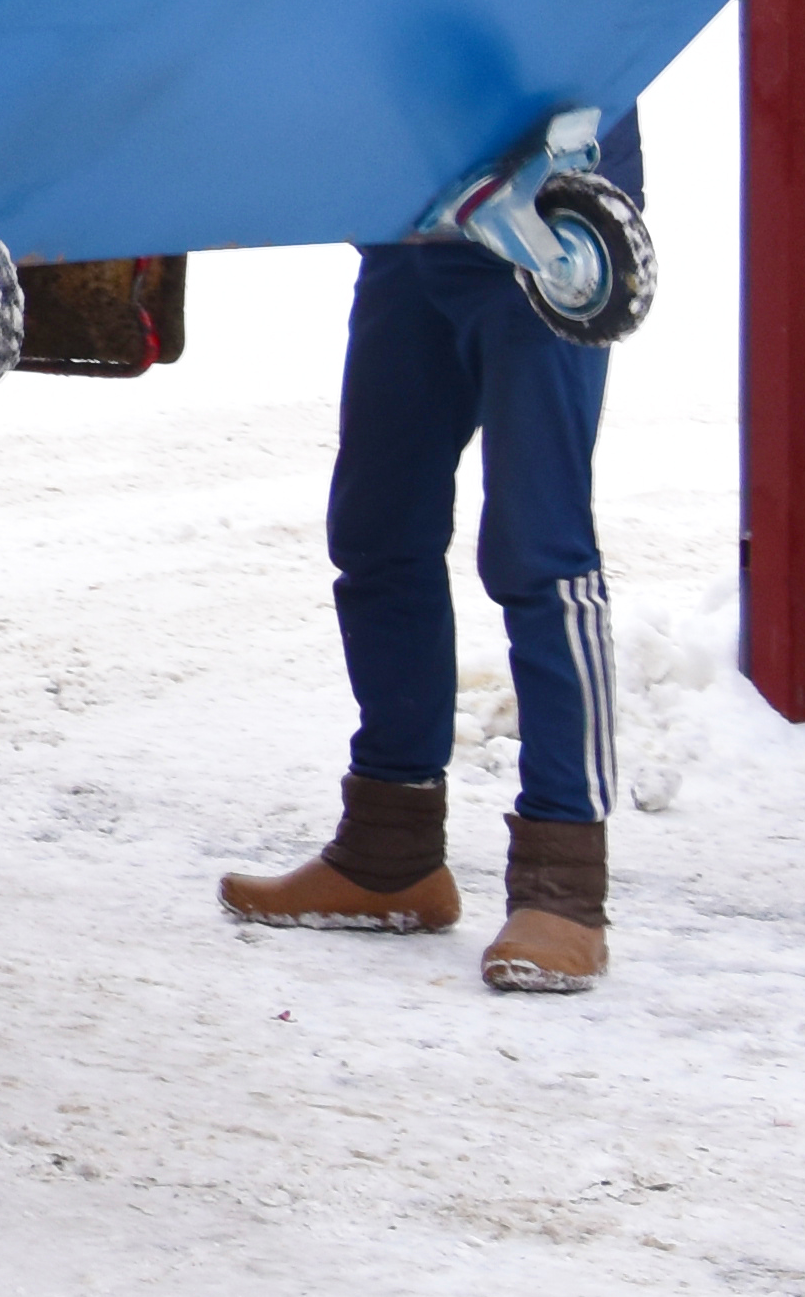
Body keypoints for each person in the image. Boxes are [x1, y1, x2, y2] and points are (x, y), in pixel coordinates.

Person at [219, 147, 638, 991]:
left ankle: (565, 885)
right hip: (410, 225)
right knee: (377, 527)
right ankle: (389, 851)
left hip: (541, 228)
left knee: (537, 544)